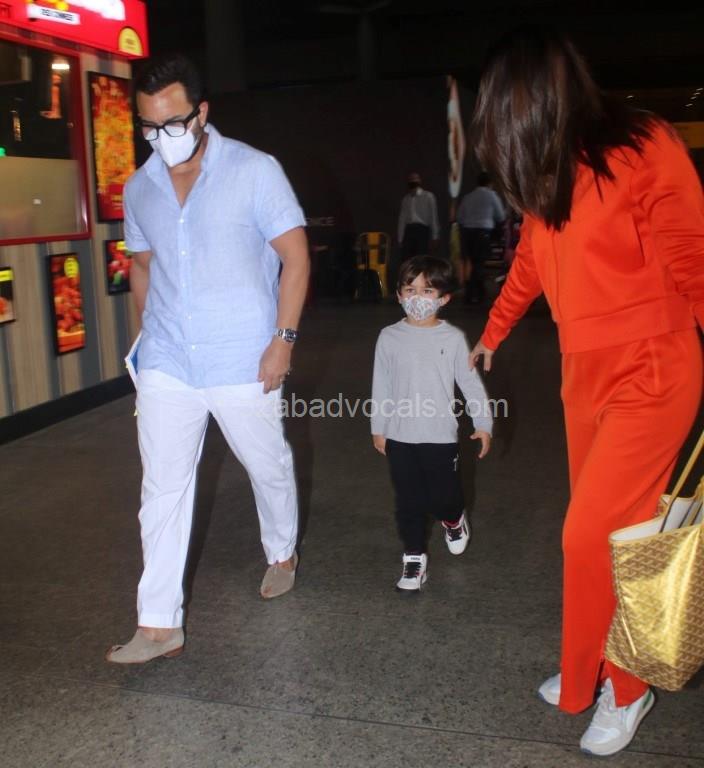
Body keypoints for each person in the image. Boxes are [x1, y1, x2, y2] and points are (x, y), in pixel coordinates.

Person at [468, 27, 703, 756]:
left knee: (596, 535)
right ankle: (587, 670)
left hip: (653, 366)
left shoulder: (644, 143)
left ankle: (628, 690)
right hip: (583, 373)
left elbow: (694, 256)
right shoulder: (551, 172)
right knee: (603, 534)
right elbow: (531, 262)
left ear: (540, 99)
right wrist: (493, 331)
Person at [107, 54, 310, 664]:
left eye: (172, 123)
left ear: (201, 112)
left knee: (266, 465)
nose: (161, 137)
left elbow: (296, 258)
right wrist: (144, 344)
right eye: (149, 126)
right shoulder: (139, 188)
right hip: (169, 358)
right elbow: (143, 267)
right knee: (162, 489)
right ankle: (158, 625)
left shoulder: (254, 170)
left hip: (245, 356)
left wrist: (283, 340)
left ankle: (281, 552)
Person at [371, 256, 492, 592]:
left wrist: (483, 422)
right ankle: (414, 558)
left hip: (440, 435)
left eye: (427, 291)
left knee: (444, 496)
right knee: (407, 499)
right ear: (398, 294)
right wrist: (378, 426)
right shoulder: (388, 337)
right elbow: (381, 384)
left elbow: (469, 383)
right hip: (400, 434)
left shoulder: (451, 338)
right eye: (410, 289)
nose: (417, 298)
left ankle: (453, 519)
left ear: (444, 298)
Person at [456, 172, 505, 303]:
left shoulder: (468, 197)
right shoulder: (492, 195)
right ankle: (475, 292)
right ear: (490, 183)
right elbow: (500, 216)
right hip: (483, 232)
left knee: (473, 262)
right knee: (480, 263)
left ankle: (473, 291)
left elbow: (460, 217)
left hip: (468, 232)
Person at [397, 172, 440, 261]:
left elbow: (433, 216)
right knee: (407, 259)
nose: (413, 181)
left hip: (422, 230)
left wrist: (435, 236)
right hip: (409, 230)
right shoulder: (406, 199)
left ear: (419, 181)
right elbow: (402, 219)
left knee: (421, 258)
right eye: (411, 179)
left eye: (415, 179)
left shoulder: (428, 196)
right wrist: (400, 238)